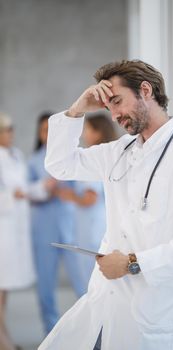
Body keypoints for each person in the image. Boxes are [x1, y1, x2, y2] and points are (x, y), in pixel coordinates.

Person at [39, 60, 173, 350]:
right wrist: (76, 111)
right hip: (106, 299)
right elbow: (61, 166)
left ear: (146, 90)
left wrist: (132, 263)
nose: (114, 114)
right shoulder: (119, 151)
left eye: (117, 101)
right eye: (108, 106)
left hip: (151, 310)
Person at [28, 112, 85, 335]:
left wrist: (64, 191)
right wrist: (42, 191)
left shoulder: (70, 156)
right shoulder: (32, 162)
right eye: (44, 130)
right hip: (44, 231)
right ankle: (50, 334)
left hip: (71, 228)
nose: (48, 135)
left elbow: (80, 189)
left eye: (52, 130)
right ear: (39, 134)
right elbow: (24, 193)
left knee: (84, 284)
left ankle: (90, 332)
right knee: (46, 287)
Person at [55, 114, 117, 295]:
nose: (83, 135)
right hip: (96, 226)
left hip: (92, 230)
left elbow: (90, 199)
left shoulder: (93, 160)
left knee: (90, 281)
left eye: (87, 129)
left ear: (98, 133)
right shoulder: (107, 157)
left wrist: (69, 196)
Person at [0, 113, 35, 350]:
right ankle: (5, 343)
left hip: (14, 229)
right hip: (3, 229)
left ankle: (5, 338)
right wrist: (14, 195)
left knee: (5, 287)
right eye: (5, 130)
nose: (9, 134)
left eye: (11, 129)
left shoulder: (16, 155)